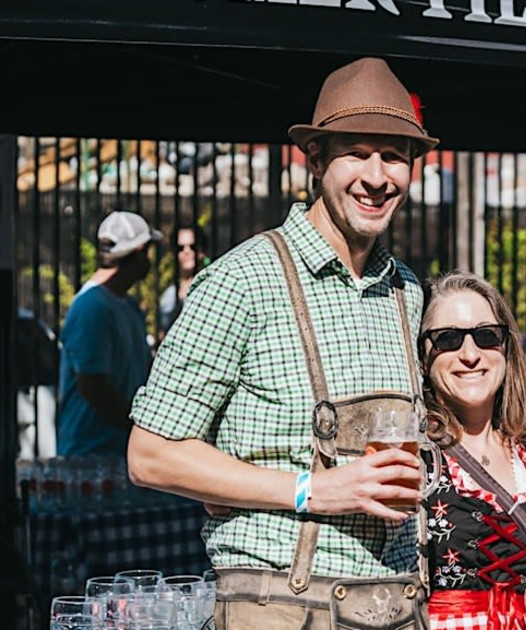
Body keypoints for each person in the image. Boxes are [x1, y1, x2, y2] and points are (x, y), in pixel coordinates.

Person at [128, 57, 438, 629]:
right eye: (357, 152)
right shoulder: (242, 279)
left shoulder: (407, 290)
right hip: (277, 606)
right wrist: (308, 489)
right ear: (315, 158)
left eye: (395, 155)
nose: (377, 176)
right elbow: (151, 455)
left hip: (395, 605)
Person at [417, 271, 526, 630]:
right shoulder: (414, 461)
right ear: (422, 355)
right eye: (447, 339)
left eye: (486, 337)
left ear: (506, 347)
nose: (470, 355)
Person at [57, 210, 162, 457]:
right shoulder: (91, 307)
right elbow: (93, 387)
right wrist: (138, 429)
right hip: (91, 455)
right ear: (139, 251)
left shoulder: (126, 305)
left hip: (120, 451)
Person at [158, 223, 209, 338]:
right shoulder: (169, 294)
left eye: (193, 246)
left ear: (202, 251)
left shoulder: (211, 286)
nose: (187, 251)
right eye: (180, 248)